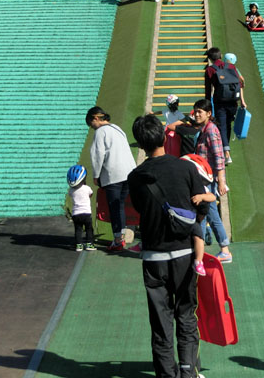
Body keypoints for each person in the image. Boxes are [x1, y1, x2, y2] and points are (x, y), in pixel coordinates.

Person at [128, 114, 209, 378]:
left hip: (153, 257)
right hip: (185, 254)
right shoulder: (185, 168)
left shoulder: (135, 177)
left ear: (140, 143)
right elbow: (202, 207)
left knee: (161, 322)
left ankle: (167, 374)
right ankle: (188, 370)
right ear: (165, 136)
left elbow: (140, 209)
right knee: (186, 315)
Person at [86, 106, 137, 251]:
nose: (92, 128)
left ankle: (117, 239)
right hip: (128, 172)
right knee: (120, 205)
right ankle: (121, 236)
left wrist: (96, 176)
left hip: (113, 174)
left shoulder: (100, 132)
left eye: (91, 124)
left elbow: (97, 155)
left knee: (114, 207)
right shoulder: (117, 128)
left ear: (96, 118)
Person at [192, 98, 233, 263]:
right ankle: (204, 250)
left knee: (208, 213)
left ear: (209, 113)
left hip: (208, 180)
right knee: (204, 213)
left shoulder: (211, 130)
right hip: (204, 179)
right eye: (195, 111)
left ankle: (224, 250)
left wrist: (221, 181)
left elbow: (218, 156)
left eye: (200, 112)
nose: (196, 114)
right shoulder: (204, 129)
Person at [204, 47, 247, 165]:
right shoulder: (232, 67)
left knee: (221, 126)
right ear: (221, 55)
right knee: (227, 125)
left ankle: (226, 153)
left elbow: (208, 91)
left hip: (220, 102)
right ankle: (226, 149)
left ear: (210, 58)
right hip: (233, 101)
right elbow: (239, 83)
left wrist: (208, 108)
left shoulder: (209, 70)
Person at [181, 153, 217, 276]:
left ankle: (198, 261)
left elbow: (212, 196)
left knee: (198, 237)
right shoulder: (180, 186)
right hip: (182, 218)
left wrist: (202, 196)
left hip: (194, 219)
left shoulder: (201, 188)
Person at [67, 164, 96, 251]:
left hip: (76, 214)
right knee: (89, 229)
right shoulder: (87, 188)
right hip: (86, 213)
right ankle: (89, 244)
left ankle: (78, 245)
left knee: (78, 230)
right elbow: (91, 194)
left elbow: (71, 195)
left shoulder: (71, 191)